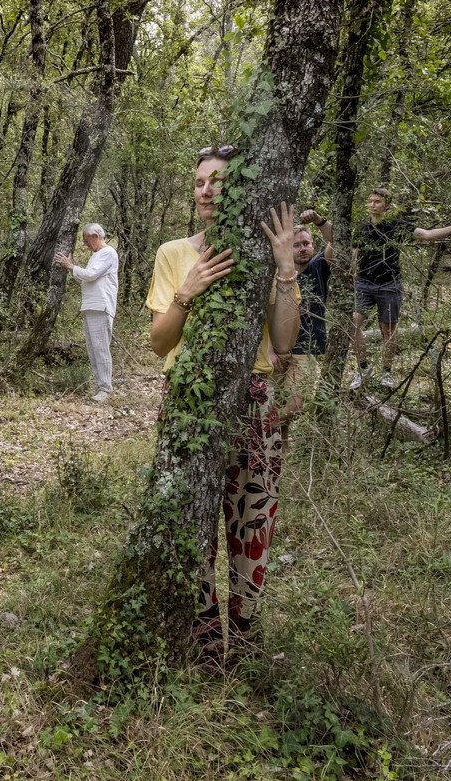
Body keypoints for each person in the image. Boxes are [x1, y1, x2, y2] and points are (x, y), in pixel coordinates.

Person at [145, 145, 299, 655]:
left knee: (253, 519)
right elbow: (160, 344)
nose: (207, 190)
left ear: (240, 188)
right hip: (188, 398)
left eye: (218, 181)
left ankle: (247, 639)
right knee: (192, 517)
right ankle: (207, 640)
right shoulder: (173, 253)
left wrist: (283, 269)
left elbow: (282, 343)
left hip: (254, 399)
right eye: (199, 182)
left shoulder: (258, 252)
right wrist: (185, 293)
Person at [349, 188, 451, 390]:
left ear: (387, 205)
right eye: (370, 201)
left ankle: (386, 372)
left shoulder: (397, 226)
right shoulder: (363, 227)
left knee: (388, 330)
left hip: (389, 284)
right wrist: (350, 272)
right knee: (353, 324)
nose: (373, 204)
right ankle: (363, 369)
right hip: (364, 283)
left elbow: (426, 235)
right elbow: (355, 254)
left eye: (377, 201)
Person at [271, 211, 334, 428]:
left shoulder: (319, 266)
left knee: (297, 405)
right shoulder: (277, 274)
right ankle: (279, 453)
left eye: (306, 243)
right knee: (275, 402)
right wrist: (270, 349)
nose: (303, 248)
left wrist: (319, 220)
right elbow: (266, 313)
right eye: (296, 245)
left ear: (313, 245)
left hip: (307, 348)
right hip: (278, 349)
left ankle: (260, 431)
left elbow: (339, 240)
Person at [54, 223, 119, 402]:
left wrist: (70, 266)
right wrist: (71, 267)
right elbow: (86, 277)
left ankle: (105, 389)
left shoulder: (108, 253)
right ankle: (100, 386)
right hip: (90, 306)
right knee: (92, 349)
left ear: (96, 236)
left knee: (101, 348)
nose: (85, 244)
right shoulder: (96, 256)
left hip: (101, 306)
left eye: (86, 240)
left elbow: (90, 275)